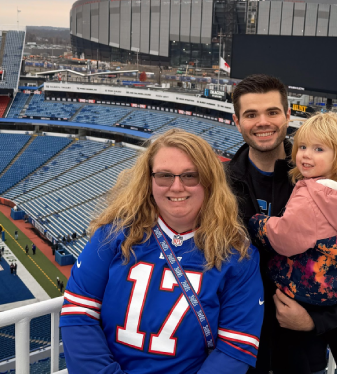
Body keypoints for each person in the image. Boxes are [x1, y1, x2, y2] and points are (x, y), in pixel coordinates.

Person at [60, 129, 264, 374]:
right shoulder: (113, 235)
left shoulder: (238, 256)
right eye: (164, 176)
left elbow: (235, 347)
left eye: (190, 176)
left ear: (210, 180)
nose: (176, 187)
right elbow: (78, 314)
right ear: (149, 179)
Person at [226, 74, 337, 374]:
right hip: (233, 346)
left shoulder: (327, 182)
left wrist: (316, 321)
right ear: (237, 121)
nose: (262, 122)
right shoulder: (219, 183)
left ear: (288, 115)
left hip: (300, 351)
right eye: (251, 114)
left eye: (272, 112)